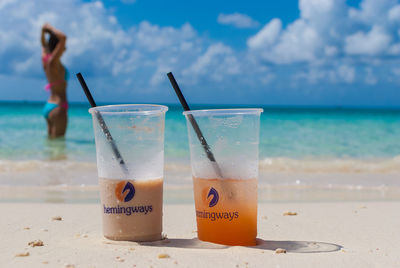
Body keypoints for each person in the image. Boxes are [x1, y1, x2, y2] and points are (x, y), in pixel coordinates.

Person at [41, 23, 68, 138]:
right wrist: (50, 28)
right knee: (59, 143)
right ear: (57, 46)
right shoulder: (53, 62)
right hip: (58, 106)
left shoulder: (46, 61)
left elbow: (43, 45)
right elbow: (63, 37)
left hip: (49, 105)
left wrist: (43, 31)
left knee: (52, 143)